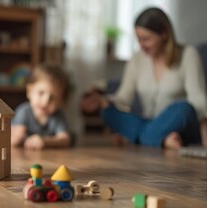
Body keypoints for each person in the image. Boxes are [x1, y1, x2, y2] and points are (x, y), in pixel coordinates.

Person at [81, 7, 207, 149]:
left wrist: (205, 138)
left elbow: (198, 100)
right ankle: (161, 140)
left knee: (184, 108)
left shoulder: (188, 54)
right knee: (108, 112)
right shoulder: (136, 59)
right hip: (147, 121)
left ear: (164, 35)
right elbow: (124, 97)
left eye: (146, 39)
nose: (141, 45)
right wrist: (102, 101)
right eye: (138, 39)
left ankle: (140, 138)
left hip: (178, 126)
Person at [11, 63, 71, 150]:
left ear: (61, 101)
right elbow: (15, 140)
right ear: (29, 91)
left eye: (53, 97)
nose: (45, 101)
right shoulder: (24, 111)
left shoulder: (58, 115)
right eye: (41, 93)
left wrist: (45, 141)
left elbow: (65, 140)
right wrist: (17, 137)